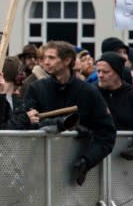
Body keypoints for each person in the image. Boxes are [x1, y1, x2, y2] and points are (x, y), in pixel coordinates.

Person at [23, 41, 116, 186]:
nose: (46, 62)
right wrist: (57, 125)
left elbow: (107, 134)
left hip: (74, 173)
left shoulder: (88, 92)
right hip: (40, 168)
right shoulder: (37, 89)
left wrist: (87, 161)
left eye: (52, 58)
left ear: (67, 60)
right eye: (45, 58)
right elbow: (26, 123)